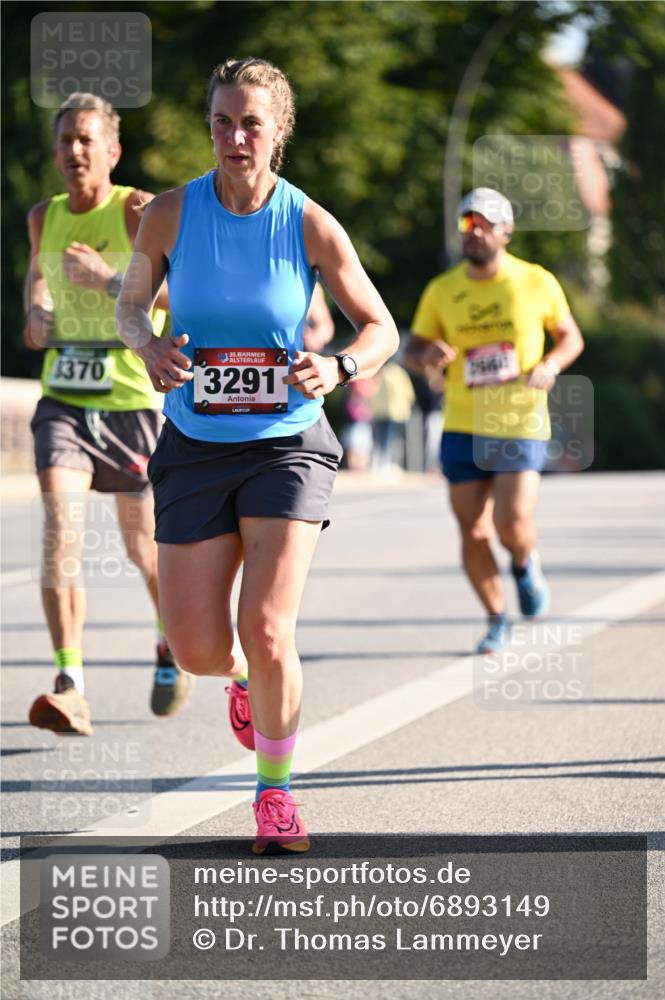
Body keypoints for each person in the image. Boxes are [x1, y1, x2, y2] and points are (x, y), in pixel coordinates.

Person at [116, 57, 398, 852]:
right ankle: (239, 678)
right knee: (201, 645)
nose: (234, 137)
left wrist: (341, 364)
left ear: (278, 131)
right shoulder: (168, 215)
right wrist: (145, 347)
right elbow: (130, 306)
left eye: (250, 123)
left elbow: (381, 328)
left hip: (287, 445)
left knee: (270, 627)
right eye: (221, 122)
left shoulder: (309, 223)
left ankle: (275, 796)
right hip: (195, 445)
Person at [24, 93, 194, 738]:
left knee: (143, 550)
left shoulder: (136, 210)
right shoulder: (44, 218)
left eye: (86, 140)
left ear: (112, 151)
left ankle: (168, 640)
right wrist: (38, 316)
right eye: (65, 140)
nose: (73, 152)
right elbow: (33, 315)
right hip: (65, 399)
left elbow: (185, 292)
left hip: (129, 402)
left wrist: (105, 280)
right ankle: (71, 684)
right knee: (60, 533)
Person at [405, 188, 584, 653]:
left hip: (519, 419)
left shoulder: (535, 282)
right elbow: (411, 350)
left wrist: (551, 366)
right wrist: (429, 354)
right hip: (463, 422)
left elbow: (570, 338)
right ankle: (496, 616)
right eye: (467, 223)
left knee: (511, 521)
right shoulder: (443, 290)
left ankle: (525, 564)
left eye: (484, 223)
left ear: (506, 231)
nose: (475, 231)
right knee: (472, 529)